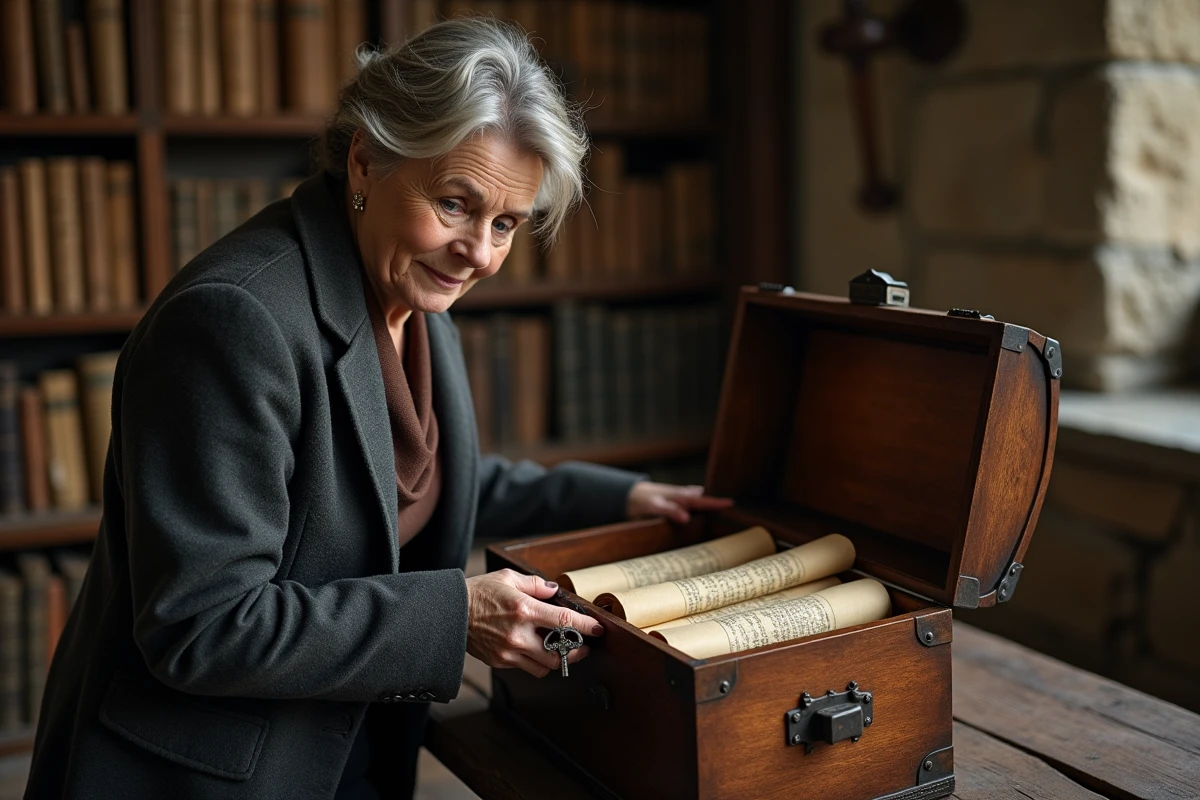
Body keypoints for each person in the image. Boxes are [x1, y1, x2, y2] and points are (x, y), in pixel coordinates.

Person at [24, 17, 731, 800]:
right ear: (366, 159)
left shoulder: (411, 291)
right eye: (455, 204)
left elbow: (411, 481)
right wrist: (455, 618)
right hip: (208, 775)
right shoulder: (233, 322)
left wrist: (625, 499)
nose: (480, 254)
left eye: (506, 223)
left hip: (347, 744)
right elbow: (203, 625)